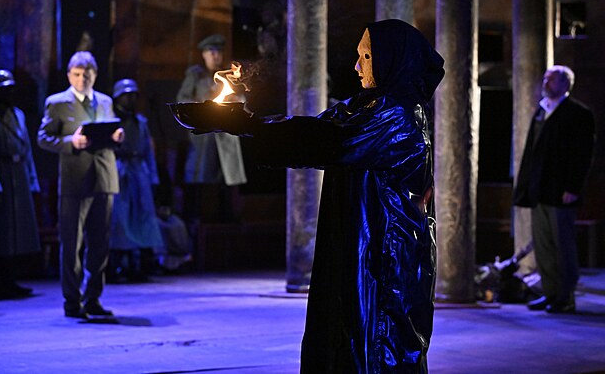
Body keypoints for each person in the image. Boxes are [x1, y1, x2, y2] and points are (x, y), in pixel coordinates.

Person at [182, 19, 444, 372]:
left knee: (379, 346)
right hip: (359, 245)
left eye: (366, 57)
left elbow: (329, 142)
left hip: (385, 255)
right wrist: (244, 124)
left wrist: (246, 125)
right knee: (343, 335)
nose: (357, 67)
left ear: (392, 59)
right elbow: (317, 129)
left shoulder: (398, 115)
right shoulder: (365, 107)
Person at [37, 51, 124, 319]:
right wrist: (70, 142)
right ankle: (72, 301)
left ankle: (93, 298)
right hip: (75, 182)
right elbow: (43, 137)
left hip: (104, 179)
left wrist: (117, 136)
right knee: (72, 243)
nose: (82, 79)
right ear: (69, 75)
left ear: (94, 75)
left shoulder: (105, 101)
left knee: (100, 243)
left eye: (87, 74)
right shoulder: (57, 103)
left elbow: (110, 132)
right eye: (76, 74)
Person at [513, 65, 595, 314]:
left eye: (551, 79)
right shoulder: (542, 110)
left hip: (561, 192)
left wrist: (573, 187)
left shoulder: (579, 113)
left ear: (565, 84)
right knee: (544, 246)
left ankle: (565, 296)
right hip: (539, 190)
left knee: (563, 247)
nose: (545, 82)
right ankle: (550, 293)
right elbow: (532, 151)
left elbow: (583, 155)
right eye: (545, 78)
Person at [176, 34, 247, 225]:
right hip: (204, 137)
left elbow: (243, 103)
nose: (216, 56)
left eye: (219, 52)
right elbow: (183, 100)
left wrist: (236, 103)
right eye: (212, 52)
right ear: (204, 54)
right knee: (201, 179)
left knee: (227, 181)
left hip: (226, 136)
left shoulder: (230, 76)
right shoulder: (196, 75)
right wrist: (204, 107)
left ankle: (227, 220)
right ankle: (199, 219)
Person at [108, 79, 163, 282]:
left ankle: (136, 264)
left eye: (133, 95)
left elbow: (148, 152)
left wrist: (153, 178)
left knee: (141, 217)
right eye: (126, 95)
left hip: (139, 171)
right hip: (120, 170)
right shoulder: (111, 121)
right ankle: (115, 264)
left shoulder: (141, 122)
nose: (131, 99)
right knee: (119, 217)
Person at [0, 69, 41, 300]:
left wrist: (32, 180)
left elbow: (27, 150)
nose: (9, 94)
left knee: (17, 231)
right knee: (2, 230)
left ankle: (12, 279)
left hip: (18, 173)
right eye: (4, 90)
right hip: (2, 172)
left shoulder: (19, 115)